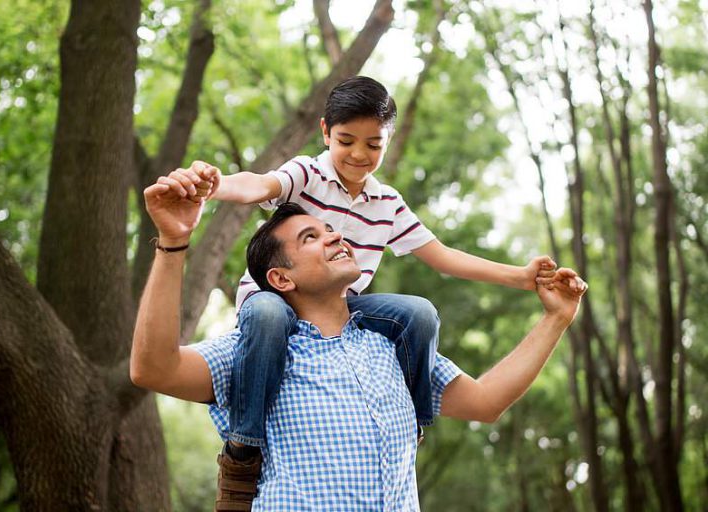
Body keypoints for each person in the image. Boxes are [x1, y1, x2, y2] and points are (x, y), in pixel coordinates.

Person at [169, 77, 560, 487]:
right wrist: (216, 186)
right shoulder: (307, 174)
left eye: (373, 144)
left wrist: (520, 277)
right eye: (346, 141)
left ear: (387, 141)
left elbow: (442, 257)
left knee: (418, 313)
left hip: (339, 303)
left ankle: (413, 422)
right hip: (276, 297)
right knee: (267, 315)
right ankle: (244, 445)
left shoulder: (387, 203)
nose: (359, 154)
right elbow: (260, 185)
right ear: (325, 132)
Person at [130, 176, 587, 510]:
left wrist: (556, 318)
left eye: (330, 230)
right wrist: (173, 241)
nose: (333, 236)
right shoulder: (255, 350)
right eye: (311, 237)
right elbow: (153, 368)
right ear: (280, 278)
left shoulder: (393, 346)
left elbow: (486, 402)